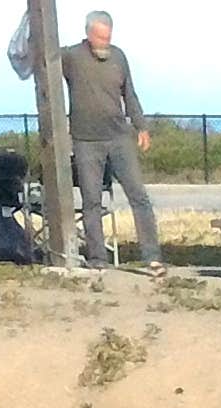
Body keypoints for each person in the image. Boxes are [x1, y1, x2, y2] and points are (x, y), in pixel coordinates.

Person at [61, 10, 160, 271]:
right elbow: (42, 61)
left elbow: (130, 94)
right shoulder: (71, 56)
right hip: (86, 140)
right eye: (99, 37)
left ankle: (153, 257)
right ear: (88, 34)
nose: (104, 42)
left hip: (119, 137)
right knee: (92, 200)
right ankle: (97, 258)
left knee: (139, 195)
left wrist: (141, 126)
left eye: (107, 37)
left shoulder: (119, 56)